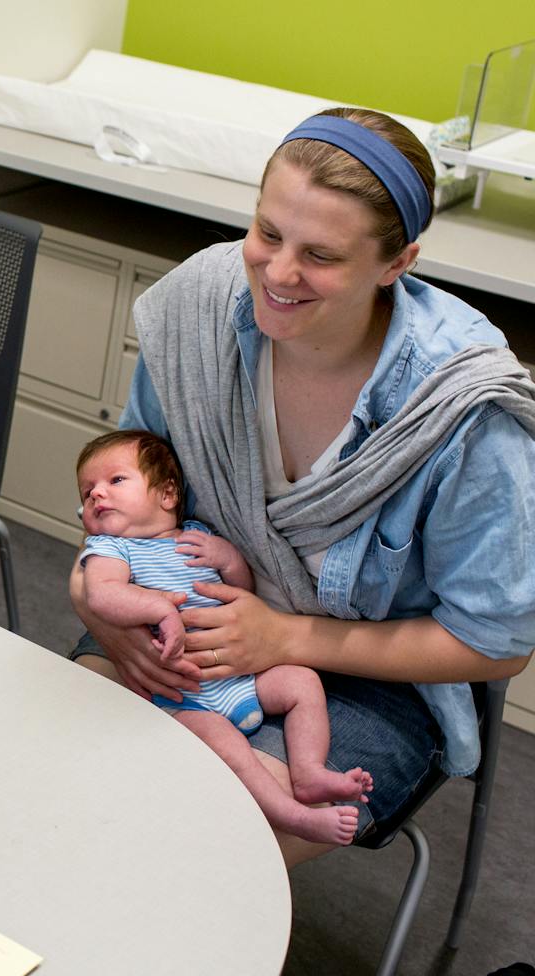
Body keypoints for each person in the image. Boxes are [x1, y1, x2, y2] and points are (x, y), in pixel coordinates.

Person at [68, 107, 535, 866]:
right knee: (60, 776)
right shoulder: (199, 315)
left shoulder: (466, 414)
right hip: (190, 617)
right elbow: (127, 492)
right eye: (267, 233)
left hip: (371, 675)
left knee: (193, 853)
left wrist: (286, 637)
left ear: (396, 264)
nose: (278, 273)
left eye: (320, 255)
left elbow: (494, 643)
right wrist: (94, 591)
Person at [77, 429, 372, 845]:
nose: (96, 495)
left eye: (115, 481)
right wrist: (160, 608)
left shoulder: (198, 536)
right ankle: (291, 814)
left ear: (167, 495)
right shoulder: (111, 549)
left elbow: (240, 590)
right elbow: (102, 594)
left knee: (302, 681)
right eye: (87, 492)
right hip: (183, 696)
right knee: (228, 749)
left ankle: (308, 773)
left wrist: (230, 560)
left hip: (241, 676)